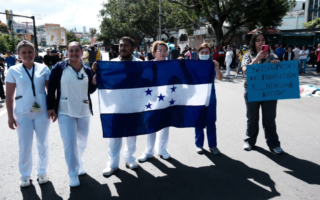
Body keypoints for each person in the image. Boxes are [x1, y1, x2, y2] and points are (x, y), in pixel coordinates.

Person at [47, 41, 97, 187]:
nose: (74, 53)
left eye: (77, 51)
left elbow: (90, 90)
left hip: (83, 110)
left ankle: (79, 161)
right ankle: (72, 173)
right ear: (67, 53)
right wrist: (51, 107)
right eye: (71, 51)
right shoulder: (59, 67)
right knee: (69, 142)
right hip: (65, 110)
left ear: (82, 53)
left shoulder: (87, 70)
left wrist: (95, 82)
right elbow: (51, 89)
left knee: (82, 142)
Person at [92, 36, 142, 177]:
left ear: (133, 48)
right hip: (116, 107)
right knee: (114, 137)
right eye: (120, 46)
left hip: (134, 106)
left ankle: (130, 158)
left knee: (132, 135)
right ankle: (112, 164)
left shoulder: (140, 64)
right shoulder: (111, 64)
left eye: (126, 46)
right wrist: (97, 71)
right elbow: (101, 83)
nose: (122, 48)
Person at [5, 40, 51, 187]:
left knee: (42, 143)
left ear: (35, 53)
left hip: (41, 112)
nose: (27, 55)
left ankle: (42, 172)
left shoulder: (43, 69)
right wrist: (10, 116)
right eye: (23, 52)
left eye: (30, 52)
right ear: (18, 54)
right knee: (24, 145)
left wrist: (52, 108)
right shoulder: (13, 70)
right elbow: (9, 96)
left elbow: (50, 92)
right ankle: (24, 175)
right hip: (22, 113)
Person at [241, 32, 283, 155]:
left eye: (263, 40)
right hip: (252, 90)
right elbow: (245, 72)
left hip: (269, 91)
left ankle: (274, 144)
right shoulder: (248, 55)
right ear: (253, 43)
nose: (261, 42)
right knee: (252, 118)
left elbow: (279, 73)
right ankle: (249, 141)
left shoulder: (272, 55)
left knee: (269, 119)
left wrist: (276, 64)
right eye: (258, 40)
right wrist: (257, 59)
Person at [138, 41, 172, 163]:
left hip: (166, 100)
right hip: (151, 100)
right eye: (160, 50)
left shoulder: (171, 65)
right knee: (150, 126)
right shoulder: (147, 65)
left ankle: (162, 149)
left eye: (165, 50)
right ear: (154, 52)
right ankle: (148, 151)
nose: (163, 53)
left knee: (164, 126)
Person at [195, 43, 222, 155]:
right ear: (198, 54)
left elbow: (219, 78)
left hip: (210, 97)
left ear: (210, 54)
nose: (204, 54)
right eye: (202, 52)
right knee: (198, 122)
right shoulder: (193, 65)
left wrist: (217, 67)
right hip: (196, 98)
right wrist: (181, 61)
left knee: (211, 121)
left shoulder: (212, 64)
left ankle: (213, 145)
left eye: (206, 52)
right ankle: (199, 145)